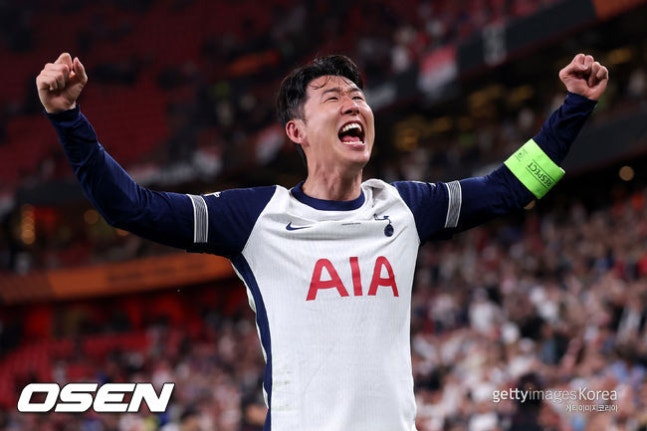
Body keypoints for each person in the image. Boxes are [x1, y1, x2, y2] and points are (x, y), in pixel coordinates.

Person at [36, 52, 608, 430]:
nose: (353, 103)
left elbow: (508, 190)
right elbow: (131, 208)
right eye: (333, 97)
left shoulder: (405, 207)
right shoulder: (255, 218)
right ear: (297, 131)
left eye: (358, 96)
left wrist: (575, 108)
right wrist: (69, 120)